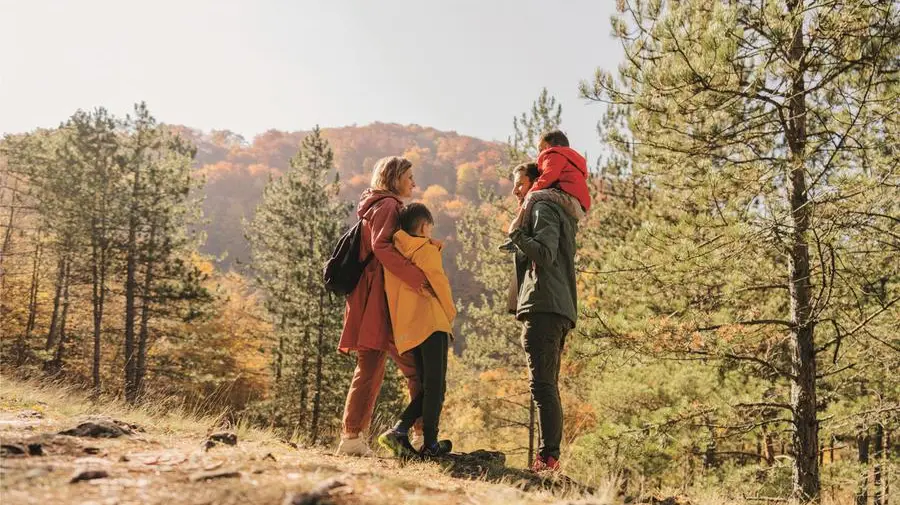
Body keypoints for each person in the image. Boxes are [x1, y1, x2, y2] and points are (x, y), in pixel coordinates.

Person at [336, 156, 428, 456]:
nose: (414, 183)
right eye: (409, 177)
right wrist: (417, 277)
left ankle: (352, 438)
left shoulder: (374, 205)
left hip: (369, 299)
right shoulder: (388, 206)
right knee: (418, 367)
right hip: (381, 300)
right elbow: (382, 246)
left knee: (370, 366)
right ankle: (422, 435)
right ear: (395, 177)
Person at [507, 161, 579, 472]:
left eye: (520, 184)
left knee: (542, 386)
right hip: (554, 306)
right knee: (546, 384)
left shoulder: (542, 208)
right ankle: (548, 458)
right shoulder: (550, 209)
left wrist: (517, 236)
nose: (515, 191)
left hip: (545, 306)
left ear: (536, 183)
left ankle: (548, 459)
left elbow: (546, 255)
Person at [378, 203, 456, 458]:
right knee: (437, 387)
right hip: (433, 323)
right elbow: (440, 284)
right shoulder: (425, 250)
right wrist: (450, 313)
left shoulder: (395, 252)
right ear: (424, 227)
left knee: (426, 387)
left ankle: (406, 432)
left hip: (409, 327)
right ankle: (427, 443)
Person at [500, 130, 589, 251]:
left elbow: (548, 177)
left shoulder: (554, 154)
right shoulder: (570, 160)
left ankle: (519, 234)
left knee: (533, 196)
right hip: (577, 205)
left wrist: (532, 191)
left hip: (569, 198)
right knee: (535, 197)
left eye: (539, 149)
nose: (539, 155)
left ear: (546, 146)